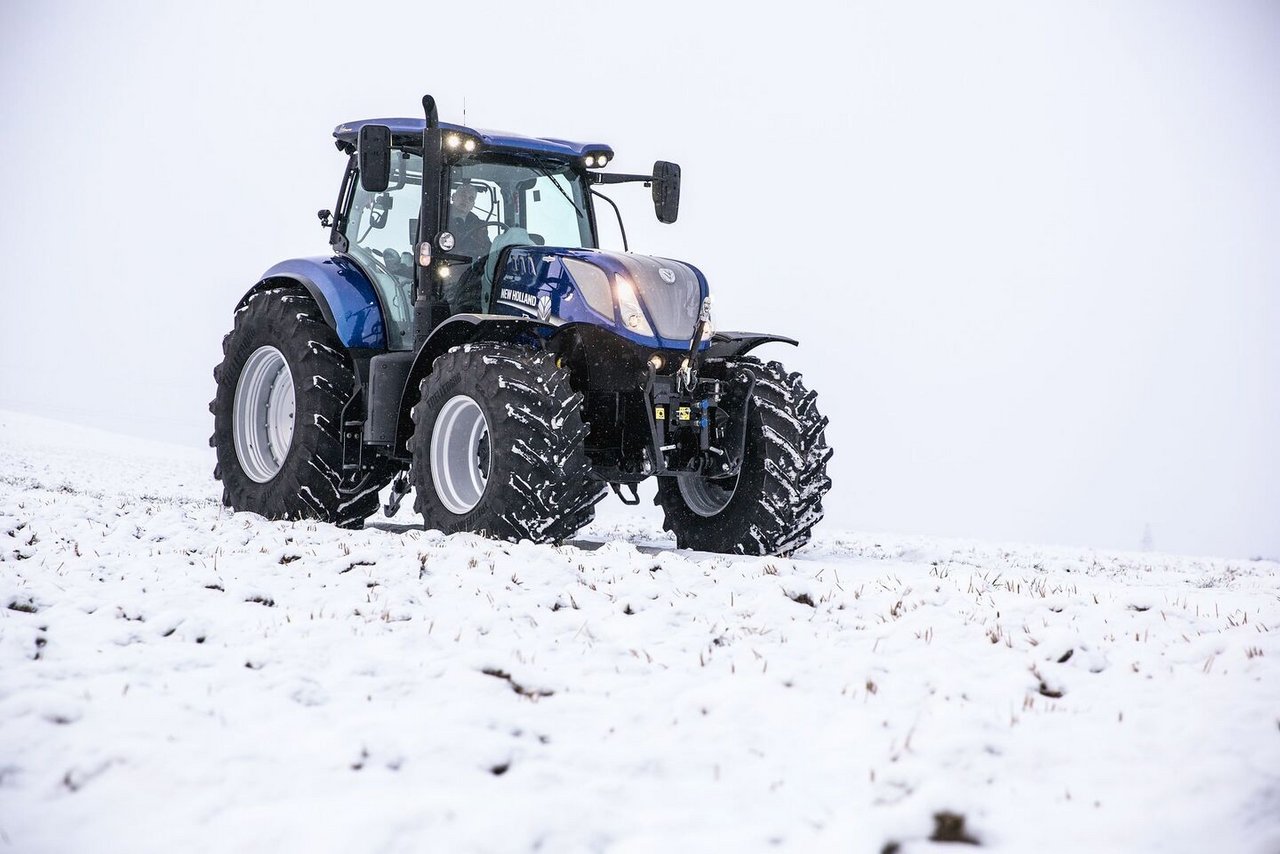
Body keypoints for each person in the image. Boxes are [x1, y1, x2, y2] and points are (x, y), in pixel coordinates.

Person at [449, 182, 492, 259]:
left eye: (471, 198)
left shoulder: (480, 226)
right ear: (453, 196)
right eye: (463, 195)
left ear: (473, 205)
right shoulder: (437, 219)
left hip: (472, 267)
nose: (466, 200)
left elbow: (487, 250)